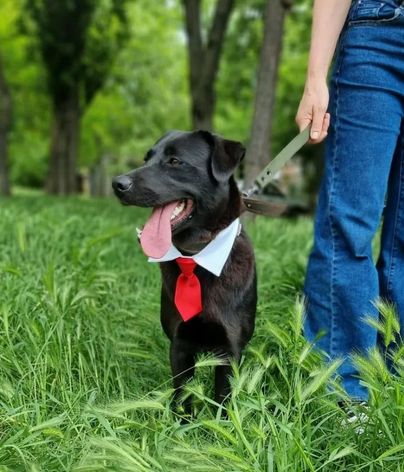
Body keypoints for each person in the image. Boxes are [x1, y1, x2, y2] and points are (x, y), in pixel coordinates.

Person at [295, 0, 404, 402]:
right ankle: (346, 395)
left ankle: (394, 387)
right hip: (378, 33)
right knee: (348, 226)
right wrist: (315, 77)